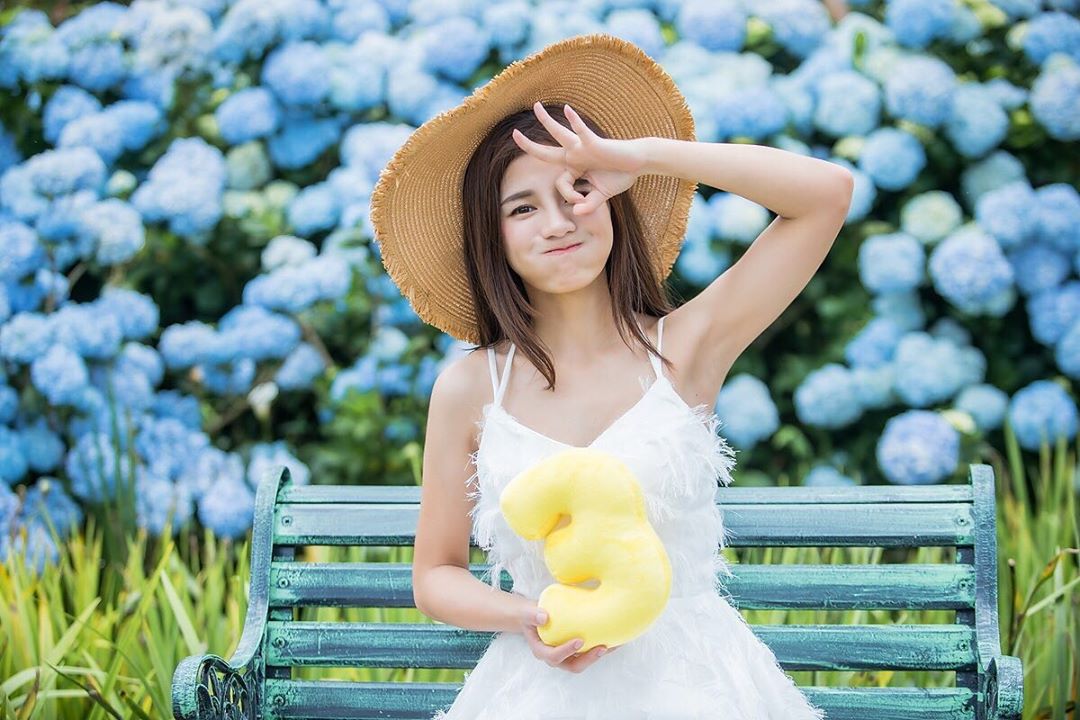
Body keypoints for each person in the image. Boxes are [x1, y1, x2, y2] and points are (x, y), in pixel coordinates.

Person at [370, 32, 852, 720]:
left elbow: (827, 195)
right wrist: (531, 617)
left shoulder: (686, 348)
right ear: (493, 238)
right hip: (541, 686)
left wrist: (642, 156)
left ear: (611, 198)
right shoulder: (473, 388)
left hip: (696, 680)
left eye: (578, 190)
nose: (558, 222)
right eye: (522, 208)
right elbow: (435, 575)